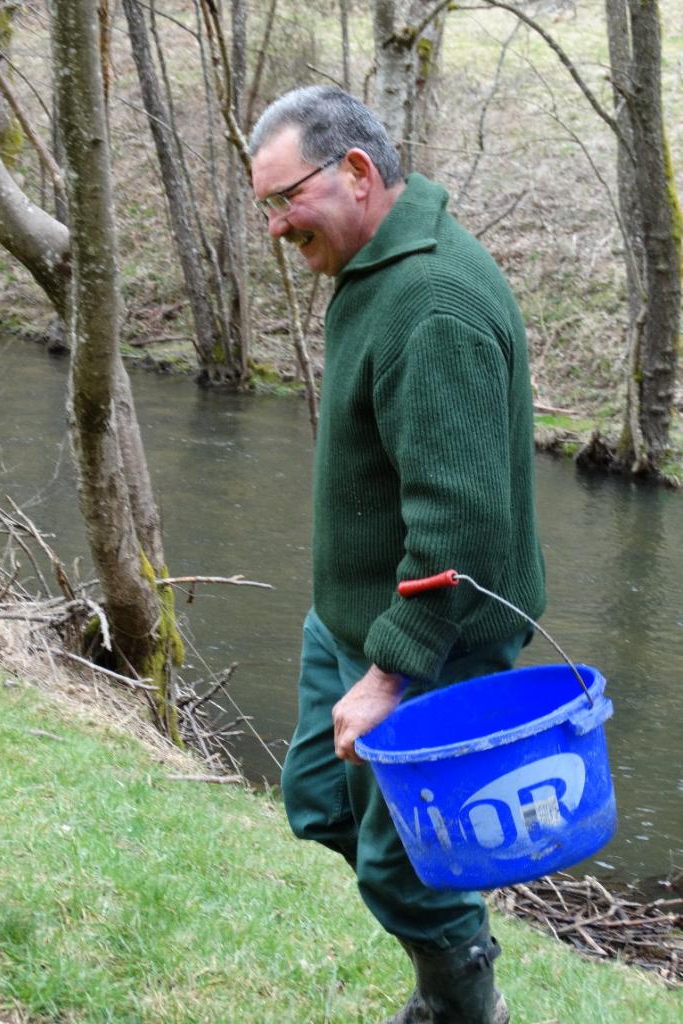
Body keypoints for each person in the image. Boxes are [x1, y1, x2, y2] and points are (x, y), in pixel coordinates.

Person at [249, 86, 546, 1024]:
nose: (272, 227)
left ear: (358, 173)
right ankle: (441, 904)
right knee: (315, 799)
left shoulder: (431, 303)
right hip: (350, 615)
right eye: (263, 206)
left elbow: (457, 529)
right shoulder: (377, 268)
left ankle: (463, 1005)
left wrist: (388, 670)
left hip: (429, 638)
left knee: (401, 865)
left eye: (283, 199)